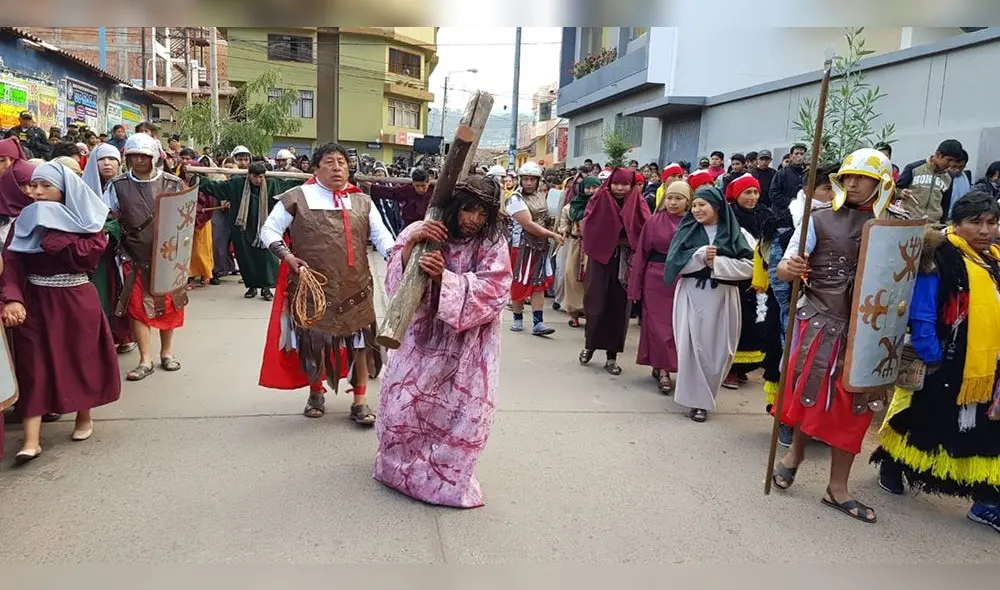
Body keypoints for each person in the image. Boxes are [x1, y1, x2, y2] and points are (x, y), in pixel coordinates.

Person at [771, 148, 901, 524]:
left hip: (869, 335)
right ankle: (795, 453)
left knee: (855, 408)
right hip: (821, 322)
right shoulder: (819, 219)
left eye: (861, 177)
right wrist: (790, 266)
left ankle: (837, 488)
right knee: (808, 395)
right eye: (847, 176)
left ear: (882, 182)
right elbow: (783, 270)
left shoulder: (896, 225)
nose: (852, 183)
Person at [373, 175, 512, 508]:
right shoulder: (425, 229)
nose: (473, 220)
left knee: (457, 414)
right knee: (405, 405)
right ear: (455, 207)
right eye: (468, 210)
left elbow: (496, 290)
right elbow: (394, 280)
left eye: (482, 214)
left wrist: (444, 279)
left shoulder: (492, 243)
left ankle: (445, 482)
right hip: (422, 338)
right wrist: (411, 249)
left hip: (468, 346)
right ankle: (397, 470)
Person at [870, 191, 1000, 533]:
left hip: (987, 365)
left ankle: (987, 499)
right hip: (947, 361)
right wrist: (933, 358)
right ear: (956, 224)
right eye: (975, 222)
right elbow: (923, 314)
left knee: (986, 430)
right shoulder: (939, 256)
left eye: (991, 222)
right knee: (924, 421)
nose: (985, 230)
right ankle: (892, 464)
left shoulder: (995, 258)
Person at [258, 142, 396, 426]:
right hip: (313, 287)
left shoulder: (362, 201)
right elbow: (268, 230)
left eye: (342, 162)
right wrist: (287, 256)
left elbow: (382, 237)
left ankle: (360, 400)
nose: (337, 167)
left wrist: (396, 255)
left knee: (360, 343)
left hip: (356, 286)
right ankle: (316, 393)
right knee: (314, 342)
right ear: (316, 167)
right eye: (330, 162)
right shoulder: (297, 197)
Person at [1, 161, 121, 465]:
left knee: (81, 358)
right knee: (33, 365)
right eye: (33, 186)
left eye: (45, 186)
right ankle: (31, 439)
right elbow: (12, 263)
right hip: (36, 300)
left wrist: (53, 235)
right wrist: (12, 299)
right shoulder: (23, 221)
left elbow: (89, 255)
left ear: (64, 190)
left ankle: (84, 415)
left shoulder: (87, 219)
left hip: (76, 298)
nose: (37, 192)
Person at [666, 185, 755, 422]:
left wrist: (719, 262)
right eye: (694, 205)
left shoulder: (739, 234)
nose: (696, 209)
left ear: (716, 206)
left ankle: (705, 393)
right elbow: (673, 265)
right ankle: (697, 402)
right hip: (692, 294)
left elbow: (751, 268)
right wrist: (698, 257)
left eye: (701, 204)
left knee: (718, 350)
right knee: (691, 347)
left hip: (722, 297)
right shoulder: (685, 231)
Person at [104, 133, 188, 382]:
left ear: (154, 156)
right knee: (137, 308)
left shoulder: (173, 183)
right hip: (134, 255)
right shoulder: (117, 185)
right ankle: (145, 359)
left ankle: (167, 353)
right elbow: (106, 216)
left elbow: (185, 219)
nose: (139, 160)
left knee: (170, 306)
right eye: (133, 156)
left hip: (169, 257)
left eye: (144, 155)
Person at [193, 161, 303, 301]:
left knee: (267, 259)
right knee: (247, 259)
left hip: (265, 228)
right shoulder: (237, 185)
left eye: (261, 177)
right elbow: (216, 188)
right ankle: (251, 287)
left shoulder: (272, 184)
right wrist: (196, 179)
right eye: (255, 177)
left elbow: (290, 186)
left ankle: (267, 288)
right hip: (242, 229)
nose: (258, 180)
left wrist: (309, 180)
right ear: (249, 175)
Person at [579, 167, 650, 375]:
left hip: (626, 260)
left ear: (632, 185)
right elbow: (589, 223)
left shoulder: (638, 201)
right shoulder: (599, 199)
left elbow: (644, 226)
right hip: (601, 258)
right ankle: (589, 346)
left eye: (625, 184)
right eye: (616, 184)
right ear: (609, 183)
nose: (620, 188)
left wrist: (629, 240)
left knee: (620, 308)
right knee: (595, 302)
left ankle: (612, 356)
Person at [628, 180, 690, 393]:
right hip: (655, 277)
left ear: (687, 201)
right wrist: (635, 286)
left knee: (677, 326)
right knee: (658, 326)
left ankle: (666, 364)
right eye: (670, 198)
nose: (673, 202)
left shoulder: (693, 223)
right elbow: (641, 254)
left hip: (683, 279)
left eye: (679, 198)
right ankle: (663, 370)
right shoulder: (654, 221)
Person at [723, 174, 777, 390]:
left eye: (755, 192)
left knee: (757, 323)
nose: (752, 197)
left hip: (759, 278)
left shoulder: (766, 214)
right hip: (736, 279)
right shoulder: (728, 216)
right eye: (747, 192)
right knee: (736, 324)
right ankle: (730, 369)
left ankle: (745, 366)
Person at [81, 143, 135, 354]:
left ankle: (124, 335)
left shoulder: (126, 187)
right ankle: (103, 338)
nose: (107, 163)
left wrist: (112, 227)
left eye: (112, 159)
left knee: (123, 292)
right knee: (102, 292)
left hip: (122, 250)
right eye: (102, 159)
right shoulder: (82, 190)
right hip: (96, 253)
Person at [507, 161, 564, 335]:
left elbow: (546, 218)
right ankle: (517, 319)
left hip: (540, 245)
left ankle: (538, 323)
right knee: (520, 282)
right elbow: (528, 224)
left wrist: (556, 229)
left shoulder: (541, 195)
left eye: (532, 179)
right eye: (525, 179)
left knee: (538, 285)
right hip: (522, 246)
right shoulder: (515, 198)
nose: (529, 183)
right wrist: (552, 235)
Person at [560, 175, 600, 327]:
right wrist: (564, 231)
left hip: (595, 248)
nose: (590, 191)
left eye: (594, 187)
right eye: (588, 187)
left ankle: (591, 313)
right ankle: (574, 314)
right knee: (572, 277)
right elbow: (564, 223)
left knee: (592, 280)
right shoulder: (572, 207)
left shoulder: (603, 206)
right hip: (576, 245)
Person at [896, 138, 963, 223]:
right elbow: (894, 190)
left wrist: (942, 223)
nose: (950, 164)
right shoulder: (914, 168)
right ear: (938, 155)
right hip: (908, 221)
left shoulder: (948, 177)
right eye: (949, 160)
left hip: (933, 225)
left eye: (954, 161)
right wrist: (901, 193)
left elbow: (945, 204)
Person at [366, 167, 433, 229]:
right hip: (409, 227)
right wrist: (368, 185)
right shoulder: (407, 189)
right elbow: (391, 192)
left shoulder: (435, 190)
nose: (420, 189)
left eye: (423, 186)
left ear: (429, 182)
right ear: (413, 183)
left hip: (429, 227)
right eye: (417, 186)